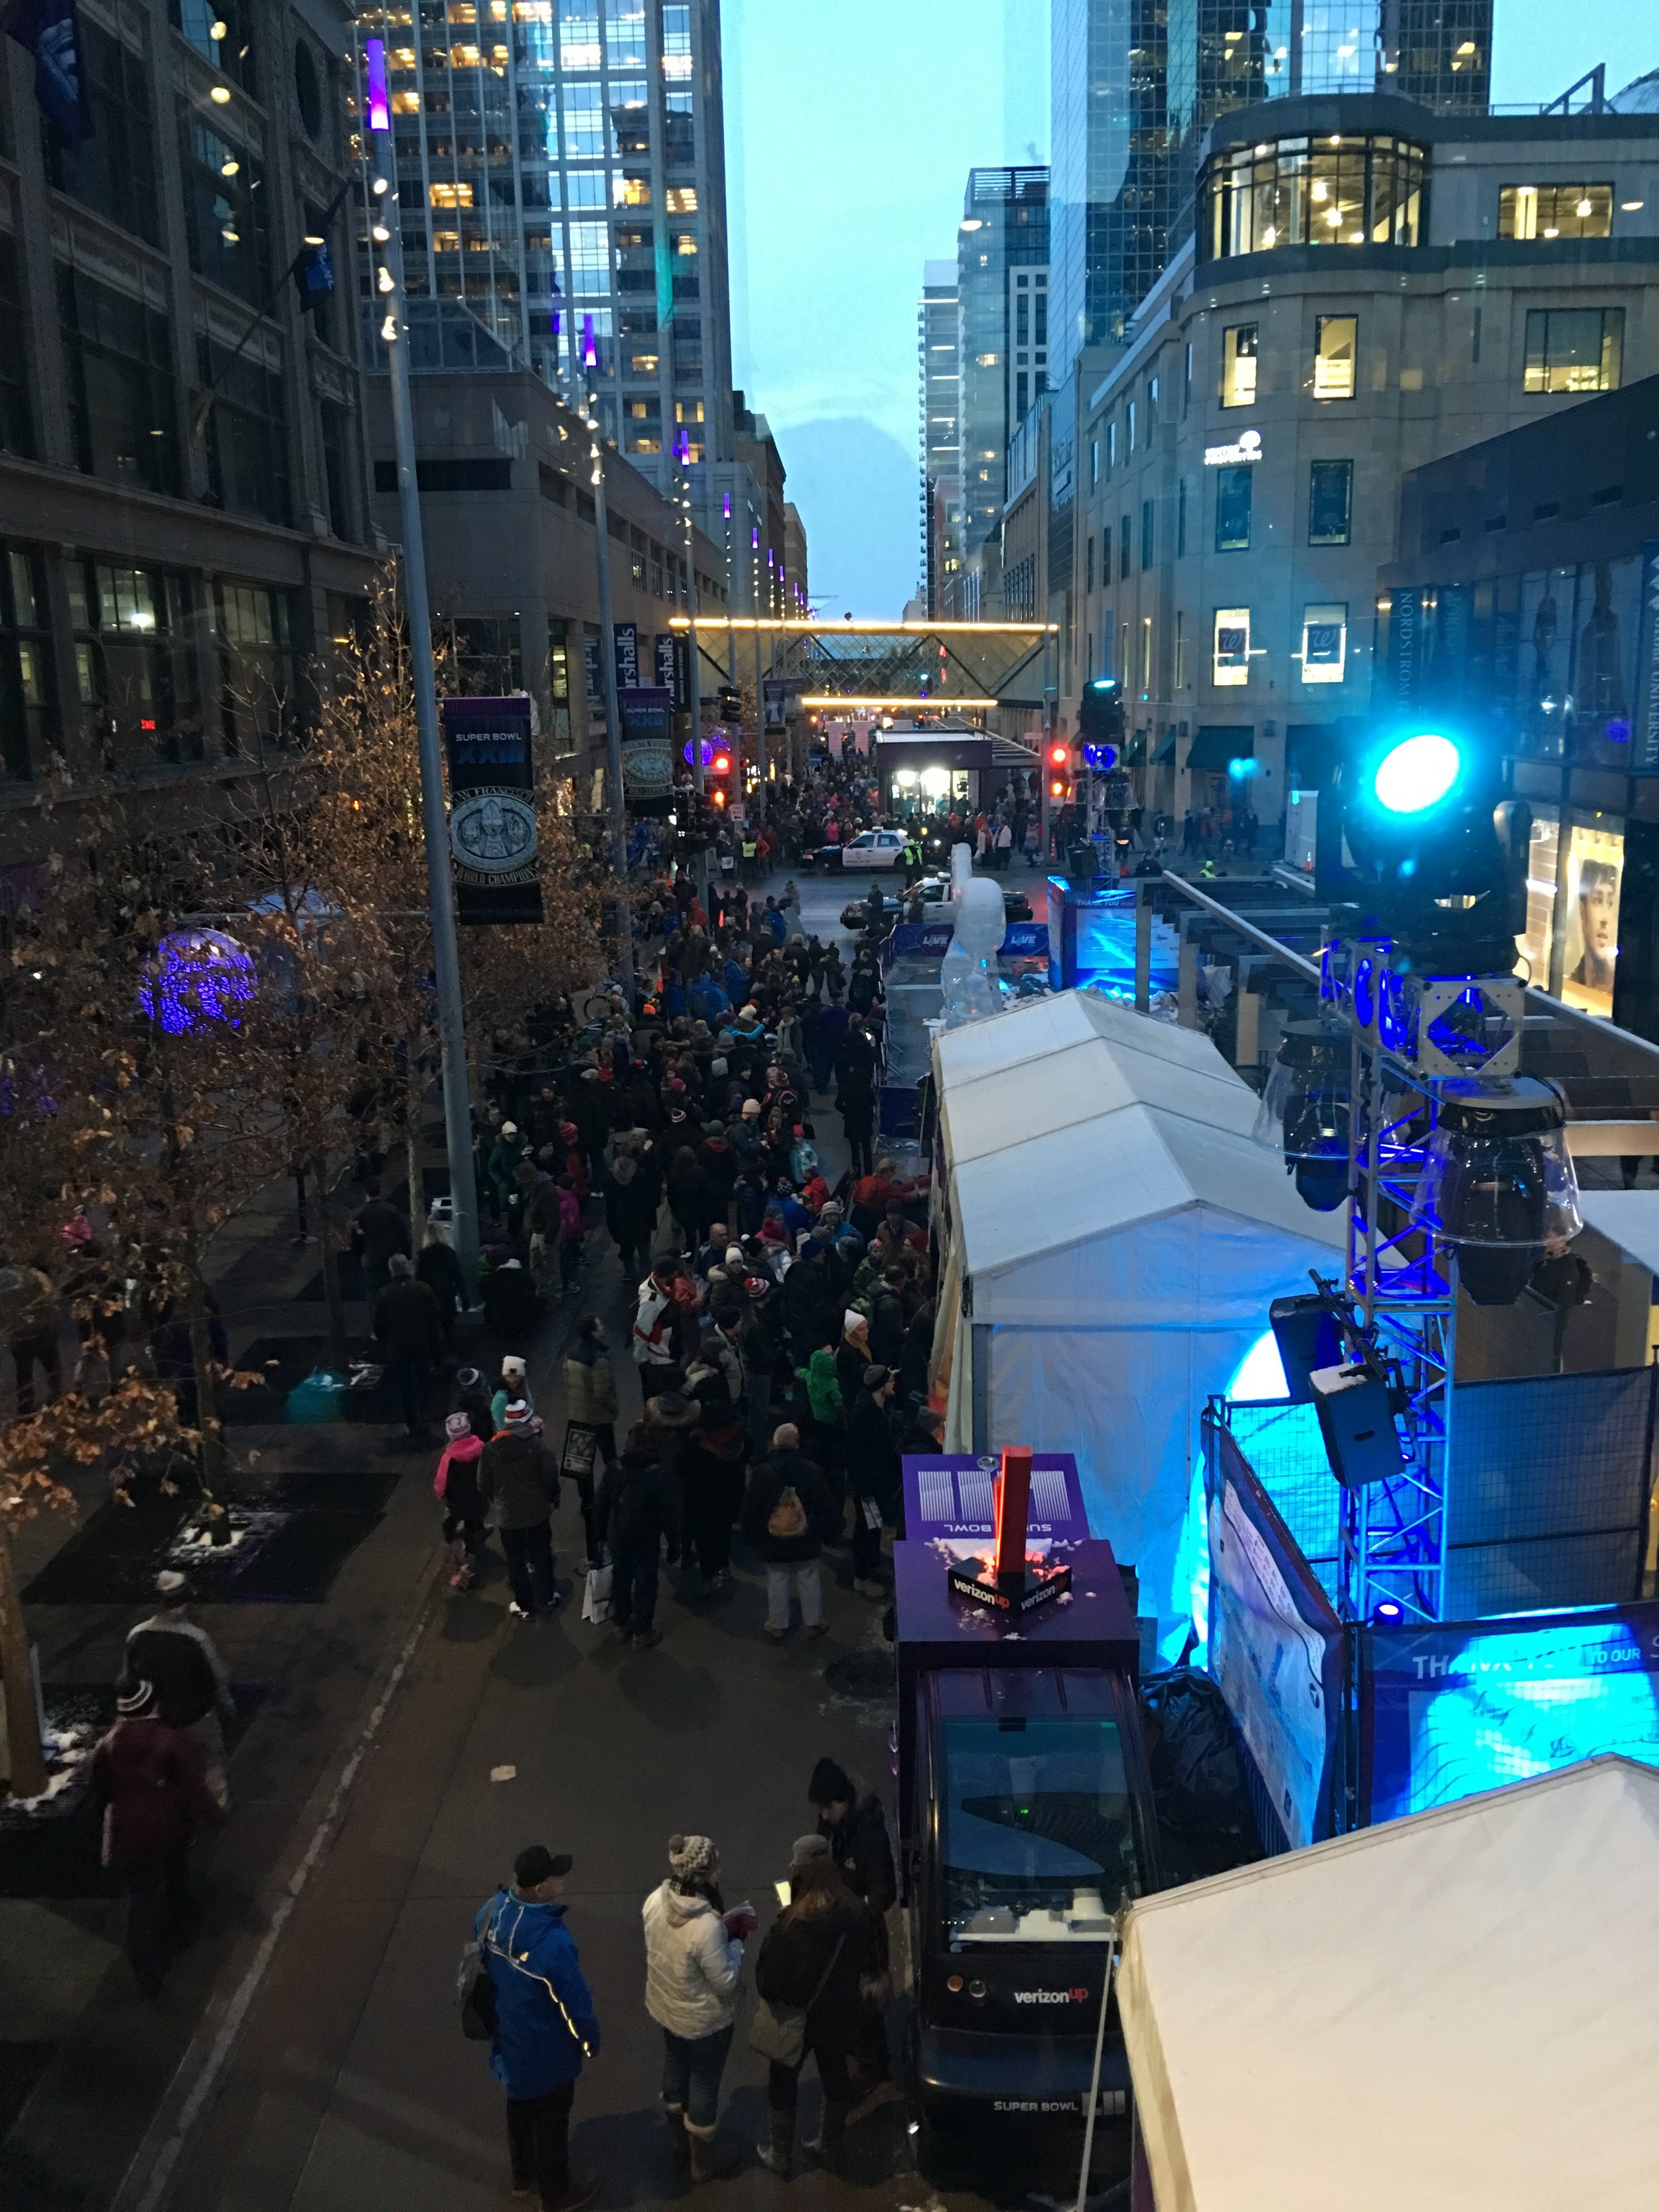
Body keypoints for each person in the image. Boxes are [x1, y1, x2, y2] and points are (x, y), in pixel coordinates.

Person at [476, 1845, 601, 2212]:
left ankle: (522, 2177)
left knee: (519, 2107)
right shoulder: (553, 1944)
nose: (561, 1880)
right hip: (547, 2050)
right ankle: (557, 2194)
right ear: (541, 1891)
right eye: (555, 1877)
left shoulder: (490, 1913)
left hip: (509, 2038)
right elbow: (575, 2004)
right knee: (551, 2123)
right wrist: (590, 2042)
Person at [93, 1676, 224, 1998]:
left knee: (142, 1898)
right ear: (153, 1705)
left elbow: (100, 1790)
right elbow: (195, 1787)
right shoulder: (171, 1741)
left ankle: (145, 1970)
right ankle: (184, 1928)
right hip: (169, 1825)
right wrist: (215, 1817)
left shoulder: (107, 1745)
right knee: (177, 1872)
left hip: (129, 1833)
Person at [753, 1839, 877, 2175]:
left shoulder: (791, 1926)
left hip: (797, 2019)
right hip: (838, 2015)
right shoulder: (855, 1912)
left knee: (782, 2081)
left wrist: (778, 1925)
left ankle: (780, 2156)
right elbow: (864, 1959)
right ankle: (829, 2145)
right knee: (835, 2075)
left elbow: (768, 1981)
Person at [641, 1834, 757, 2179]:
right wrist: (735, 1946)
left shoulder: (653, 1903)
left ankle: (680, 2140)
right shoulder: (705, 1926)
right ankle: (702, 2161)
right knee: (704, 2084)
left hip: (668, 2009)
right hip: (704, 2020)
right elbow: (724, 1982)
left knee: (675, 2068)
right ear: (707, 1873)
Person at [124, 1571, 236, 1808]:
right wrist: (227, 1707)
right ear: (186, 1600)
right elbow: (219, 1680)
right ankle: (216, 1809)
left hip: (158, 1722)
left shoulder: (137, 1635)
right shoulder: (197, 1638)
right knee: (212, 1762)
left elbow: (126, 1680)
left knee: (172, 1771)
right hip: (197, 1718)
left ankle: (179, 1813)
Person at [741, 1424, 837, 1642]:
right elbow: (826, 1505)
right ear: (797, 1442)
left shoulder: (762, 1472)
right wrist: (831, 1528)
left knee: (777, 1578)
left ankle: (777, 1624)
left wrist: (752, 1535)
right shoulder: (812, 1470)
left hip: (773, 1537)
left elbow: (751, 1508)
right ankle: (813, 1622)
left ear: (775, 1444)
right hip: (806, 1535)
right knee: (809, 1576)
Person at [593, 1420, 680, 1651]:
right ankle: (643, 1631)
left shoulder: (615, 1468)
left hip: (618, 1534)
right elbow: (669, 1513)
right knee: (645, 1582)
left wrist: (600, 1533)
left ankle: (622, 1620)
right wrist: (674, 1543)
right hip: (645, 1537)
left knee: (621, 1576)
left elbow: (601, 1502)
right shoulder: (660, 1474)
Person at [480, 1401, 561, 1619]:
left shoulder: (490, 1449)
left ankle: (525, 1605)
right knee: (542, 1553)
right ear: (527, 1420)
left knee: (515, 1560)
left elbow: (483, 1483)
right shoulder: (537, 1445)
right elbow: (550, 1475)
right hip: (537, 1512)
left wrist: (498, 1499)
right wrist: (552, 1497)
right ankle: (546, 1597)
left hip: (508, 1515)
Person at [563, 1315, 618, 1565]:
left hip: (578, 1416)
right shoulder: (599, 1360)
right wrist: (613, 1407)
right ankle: (614, 1492)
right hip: (599, 1418)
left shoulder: (571, 1355)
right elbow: (602, 1393)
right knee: (610, 1457)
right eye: (600, 1324)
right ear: (594, 1332)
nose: (603, 1327)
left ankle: (587, 1500)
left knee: (580, 1464)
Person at [372, 1252, 443, 1436]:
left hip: (399, 1346)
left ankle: (411, 1421)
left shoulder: (385, 1293)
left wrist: (385, 1340)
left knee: (405, 1384)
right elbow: (435, 1316)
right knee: (423, 1377)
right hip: (421, 1342)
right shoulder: (423, 1289)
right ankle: (428, 1412)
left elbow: (379, 1323)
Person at [435, 1410, 489, 1589]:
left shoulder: (449, 1457)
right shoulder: (483, 1449)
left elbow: (440, 1486)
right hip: (479, 1502)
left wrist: (445, 1499)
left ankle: (462, 1563)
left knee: (448, 1528)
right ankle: (470, 1565)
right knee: (472, 1532)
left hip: (456, 1505)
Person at [352, 1180, 409, 1297]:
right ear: (380, 1191)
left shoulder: (359, 1214)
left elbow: (356, 1241)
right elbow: (403, 1235)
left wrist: (361, 1253)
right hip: (391, 1258)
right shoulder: (391, 1210)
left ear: (366, 1193)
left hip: (370, 1259)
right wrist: (407, 1254)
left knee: (374, 1294)